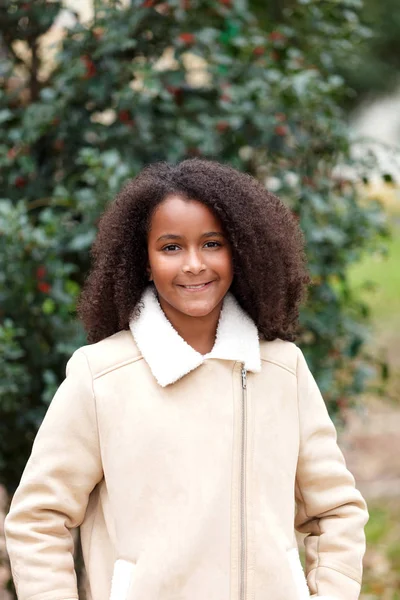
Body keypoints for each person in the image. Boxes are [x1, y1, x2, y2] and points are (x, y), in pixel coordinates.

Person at [4, 158, 368, 600]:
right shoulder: (100, 376)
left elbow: (336, 511)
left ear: (241, 249)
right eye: (171, 247)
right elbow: (38, 519)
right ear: (144, 259)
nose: (194, 264)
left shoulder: (282, 369)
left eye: (212, 243)